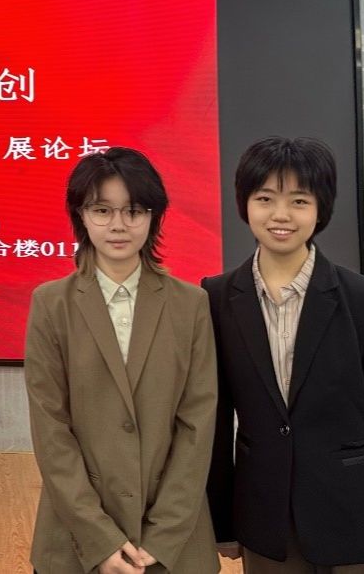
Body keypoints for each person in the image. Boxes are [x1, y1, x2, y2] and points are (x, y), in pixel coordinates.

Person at [203, 137, 364, 574]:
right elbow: (213, 421)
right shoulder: (216, 297)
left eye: (298, 200)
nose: (281, 214)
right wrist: (222, 520)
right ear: (244, 203)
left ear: (320, 209)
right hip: (269, 530)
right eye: (265, 198)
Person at [25, 147, 219, 574]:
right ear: (81, 216)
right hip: (75, 542)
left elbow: (197, 424)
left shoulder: (191, 305)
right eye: (102, 210)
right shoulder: (51, 304)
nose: (118, 225)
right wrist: (99, 538)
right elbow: (51, 429)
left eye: (133, 211)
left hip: (173, 547)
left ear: (154, 217)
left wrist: (165, 533)